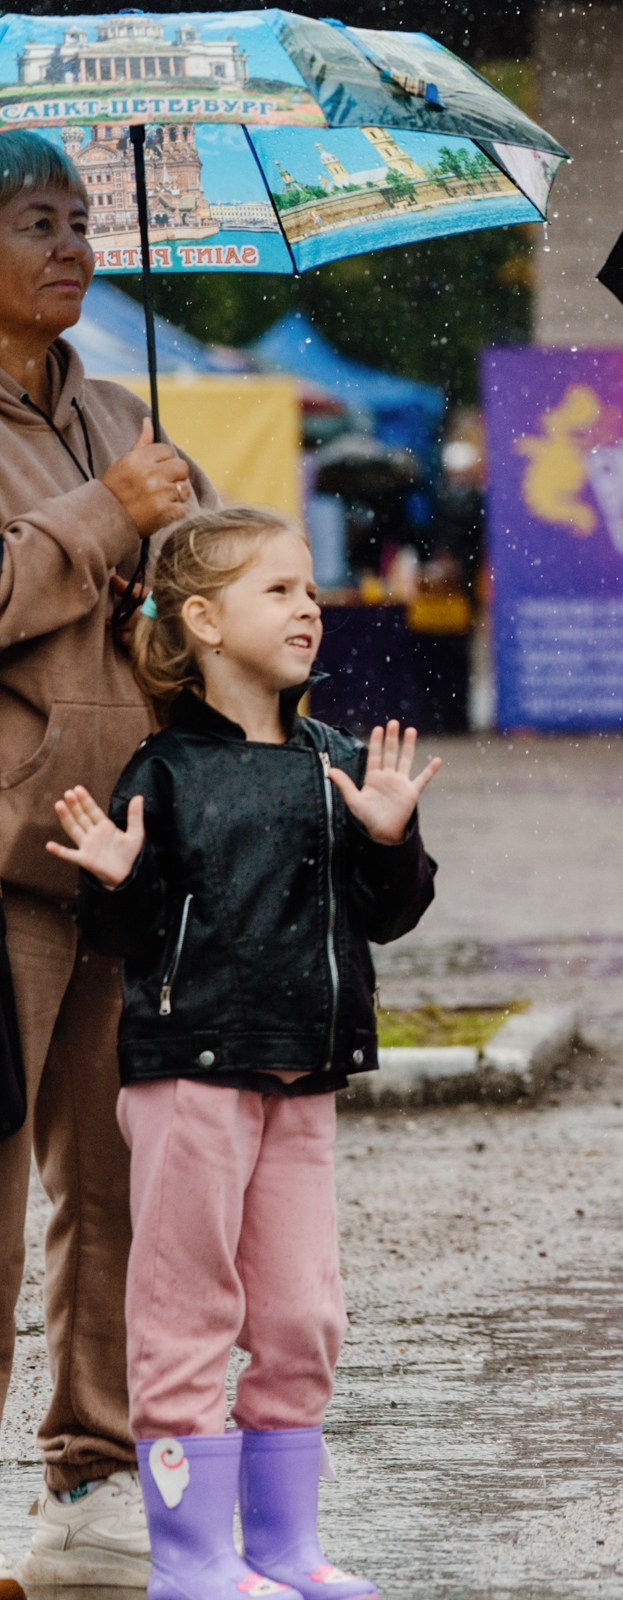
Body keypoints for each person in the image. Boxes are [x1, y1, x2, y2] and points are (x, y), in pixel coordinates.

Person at [53, 507, 436, 1600]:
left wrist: (390, 839)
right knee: (185, 1310)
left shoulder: (338, 761)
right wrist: (118, 880)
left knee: (303, 1314)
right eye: (279, 590)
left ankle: (279, 1545)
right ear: (204, 621)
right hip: (191, 1075)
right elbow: (123, 941)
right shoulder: (162, 773)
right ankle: (191, 1558)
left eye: (310, 588)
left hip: (302, 1073)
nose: (307, 606)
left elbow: (385, 914)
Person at [0, 130, 213, 1590]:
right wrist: (103, 518)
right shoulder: (87, 463)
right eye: (36, 222)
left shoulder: (117, 411)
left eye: (82, 220)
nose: (75, 246)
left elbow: (150, 619)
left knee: (117, 1188)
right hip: (2, 857)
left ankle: (91, 1468)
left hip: (120, 850)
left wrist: (177, 557)